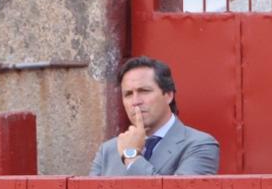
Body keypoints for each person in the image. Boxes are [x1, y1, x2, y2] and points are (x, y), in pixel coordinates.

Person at [89, 57, 220, 177]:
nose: (135, 101)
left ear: (168, 95)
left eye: (144, 91)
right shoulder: (108, 150)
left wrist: (131, 156)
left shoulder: (199, 145)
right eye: (128, 94)